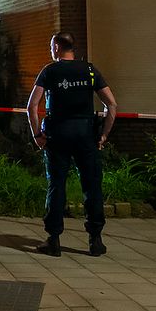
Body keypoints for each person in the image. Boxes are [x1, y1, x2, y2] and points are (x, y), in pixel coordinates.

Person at [27, 32, 118, 257]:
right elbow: (112, 105)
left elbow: (32, 106)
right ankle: (95, 240)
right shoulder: (89, 70)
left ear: (57, 47)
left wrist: (37, 134)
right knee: (91, 186)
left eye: (51, 46)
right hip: (85, 135)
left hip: (57, 135)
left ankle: (54, 239)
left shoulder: (49, 72)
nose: (50, 50)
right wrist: (104, 134)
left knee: (56, 185)